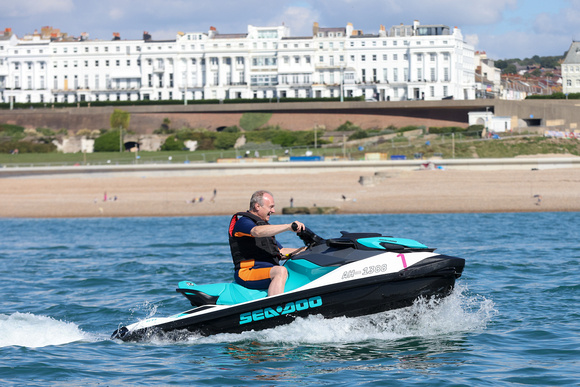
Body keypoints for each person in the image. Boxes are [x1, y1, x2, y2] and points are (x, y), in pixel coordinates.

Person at [228, 190, 305, 296]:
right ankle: (276, 308)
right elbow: (256, 231)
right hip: (247, 272)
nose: (273, 211)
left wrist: (307, 250)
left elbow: (281, 251)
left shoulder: (264, 227)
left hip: (265, 270)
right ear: (257, 206)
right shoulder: (243, 222)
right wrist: (288, 226)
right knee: (280, 271)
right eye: (271, 207)